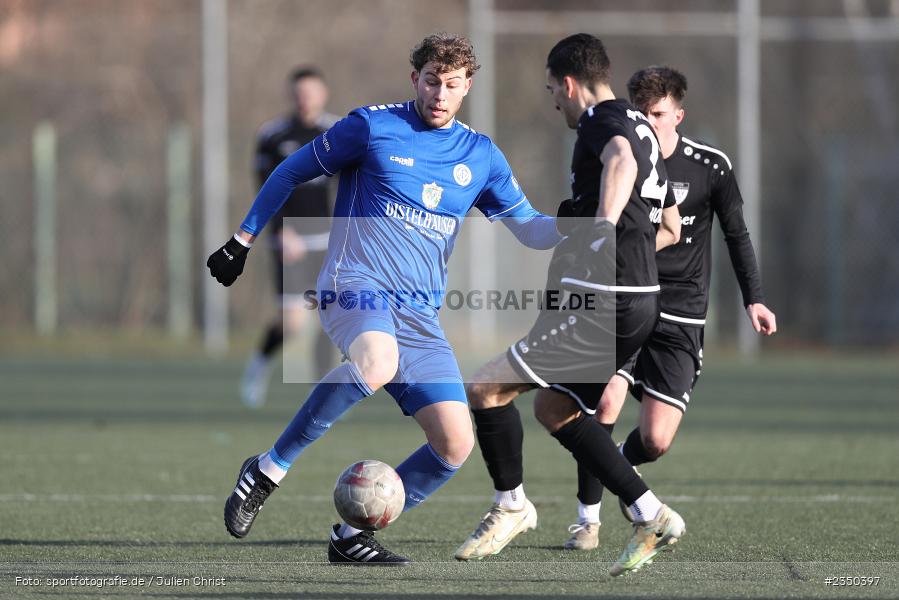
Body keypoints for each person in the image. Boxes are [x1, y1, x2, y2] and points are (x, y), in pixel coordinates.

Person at [206, 33, 562, 565]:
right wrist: (243, 241)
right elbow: (290, 170)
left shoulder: (481, 156)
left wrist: (593, 226)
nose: (441, 94)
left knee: (456, 445)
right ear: (414, 78)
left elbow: (530, 229)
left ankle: (350, 540)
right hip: (354, 284)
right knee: (376, 361)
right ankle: (267, 469)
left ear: (468, 87)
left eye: (453, 85)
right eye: (432, 81)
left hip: (419, 314)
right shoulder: (372, 127)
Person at [455, 34, 685, 577]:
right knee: (553, 409)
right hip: (637, 297)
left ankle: (511, 505)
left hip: (602, 300)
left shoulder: (604, 122)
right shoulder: (642, 124)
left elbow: (621, 163)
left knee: (486, 387)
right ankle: (649, 512)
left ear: (568, 83)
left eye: (553, 92)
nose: (554, 102)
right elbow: (670, 225)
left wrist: (600, 231)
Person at [564, 65, 777, 550]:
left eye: (659, 114)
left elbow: (736, 234)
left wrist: (755, 298)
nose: (649, 122)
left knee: (657, 440)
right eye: (641, 113)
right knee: (604, 400)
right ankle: (587, 519)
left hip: (680, 311)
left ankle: (621, 462)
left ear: (678, 115)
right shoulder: (616, 156)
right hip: (625, 296)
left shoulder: (711, 166)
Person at [241, 66, 339, 408]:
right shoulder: (273, 135)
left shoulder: (337, 131)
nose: (305, 98)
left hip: (328, 240)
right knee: (293, 323)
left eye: (312, 92)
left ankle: (320, 397)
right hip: (290, 241)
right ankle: (258, 367)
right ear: (291, 95)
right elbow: (266, 189)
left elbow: (349, 186)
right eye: (300, 92)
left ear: (323, 94)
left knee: (331, 319)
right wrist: (282, 230)